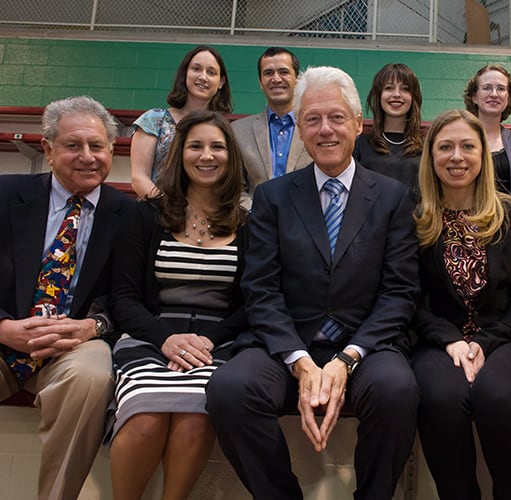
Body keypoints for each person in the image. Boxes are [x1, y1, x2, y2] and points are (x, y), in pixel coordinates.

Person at [206, 66, 420, 500]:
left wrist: (346, 359)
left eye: (337, 118)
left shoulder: (393, 197)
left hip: (366, 344)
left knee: (398, 392)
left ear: (358, 125)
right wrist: (300, 361)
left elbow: (400, 291)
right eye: (313, 119)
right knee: (229, 390)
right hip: (288, 343)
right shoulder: (273, 197)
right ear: (300, 129)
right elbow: (260, 289)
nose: (326, 130)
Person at [108, 110, 249, 500]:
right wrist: (166, 339)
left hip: (216, 344)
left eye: (217, 147)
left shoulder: (248, 223)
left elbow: (252, 304)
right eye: (196, 146)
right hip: (149, 336)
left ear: (230, 156)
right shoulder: (145, 217)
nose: (207, 156)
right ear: (179, 154)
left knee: (195, 419)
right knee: (146, 421)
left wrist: (207, 340)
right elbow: (124, 299)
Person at [0, 96, 135, 500]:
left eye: (97, 146)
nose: (87, 157)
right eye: (74, 145)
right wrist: (5, 327)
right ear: (48, 149)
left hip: (74, 344)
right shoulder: (5, 195)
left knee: (92, 377)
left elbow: (129, 296)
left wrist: (92, 326)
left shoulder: (129, 215)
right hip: (6, 334)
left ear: (112, 150)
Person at [411, 109, 511, 500]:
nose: (457, 156)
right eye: (446, 147)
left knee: (499, 395)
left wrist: (485, 343)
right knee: (440, 398)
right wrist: (451, 339)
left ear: (483, 155)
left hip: (509, 340)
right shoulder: (415, 220)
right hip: (438, 342)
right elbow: (408, 296)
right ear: (431, 157)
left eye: (468, 146)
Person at [130, 45, 233, 199]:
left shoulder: (223, 128)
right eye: (196, 69)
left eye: (211, 72)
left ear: (221, 82)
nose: (203, 77)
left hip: (206, 217)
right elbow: (139, 178)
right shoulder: (154, 119)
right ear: (185, 74)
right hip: (157, 213)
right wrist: (171, 210)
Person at [232, 46, 311, 206]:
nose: (276, 79)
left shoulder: (314, 127)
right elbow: (235, 189)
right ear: (261, 83)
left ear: (298, 79)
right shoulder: (238, 131)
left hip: (307, 223)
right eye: (268, 73)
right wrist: (258, 215)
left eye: (283, 72)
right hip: (255, 223)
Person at [464, 64, 511, 201]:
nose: (494, 94)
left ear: (508, 98)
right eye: (487, 88)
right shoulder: (459, 139)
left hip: (509, 220)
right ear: (474, 97)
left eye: (501, 88)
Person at [353, 63, 423, 191]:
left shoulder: (426, 148)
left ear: (413, 97)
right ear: (379, 95)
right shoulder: (360, 145)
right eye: (389, 88)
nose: (396, 94)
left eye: (405, 89)